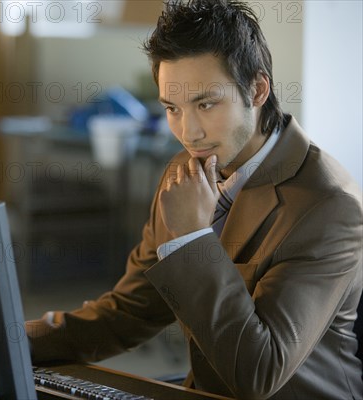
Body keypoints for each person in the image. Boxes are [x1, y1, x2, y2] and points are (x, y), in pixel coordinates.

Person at [25, 1, 363, 399]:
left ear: (256, 89)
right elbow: (132, 311)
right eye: (172, 108)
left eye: (206, 104)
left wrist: (190, 237)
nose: (189, 133)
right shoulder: (184, 173)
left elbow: (259, 372)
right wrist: (9, 338)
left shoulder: (328, 206)